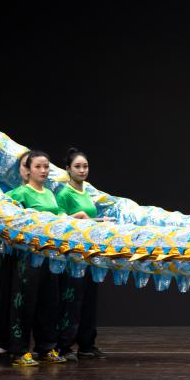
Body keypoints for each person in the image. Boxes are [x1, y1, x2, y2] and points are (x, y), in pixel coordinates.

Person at [6, 150, 90, 367]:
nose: (43, 171)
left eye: (46, 167)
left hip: (51, 258)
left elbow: (56, 222)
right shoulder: (19, 194)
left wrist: (75, 218)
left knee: (50, 303)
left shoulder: (50, 194)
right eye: (38, 167)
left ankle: (45, 348)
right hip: (28, 258)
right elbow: (10, 223)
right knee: (25, 304)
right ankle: (19, 350)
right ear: (28, 170)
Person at [55, 148, 108, 362]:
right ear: (68, 169)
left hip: (88, 256)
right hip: (72, 257)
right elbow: (57, 223)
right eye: (77, 166)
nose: (82, 170)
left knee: (88, 300)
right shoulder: (64, 193)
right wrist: (89, 220)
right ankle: (64, 345)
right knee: (72, 300)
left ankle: (86, 344)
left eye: (85, 166)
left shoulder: (87, 192)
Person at [0, 151, 30, 363]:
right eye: (26, 166)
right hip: (12, 254)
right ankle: (5, 345)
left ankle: (25, 347)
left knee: (28, 302)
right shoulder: (12, 193)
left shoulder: (45, 193)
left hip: (34, 257)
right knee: (10, 298)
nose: (29, 170)